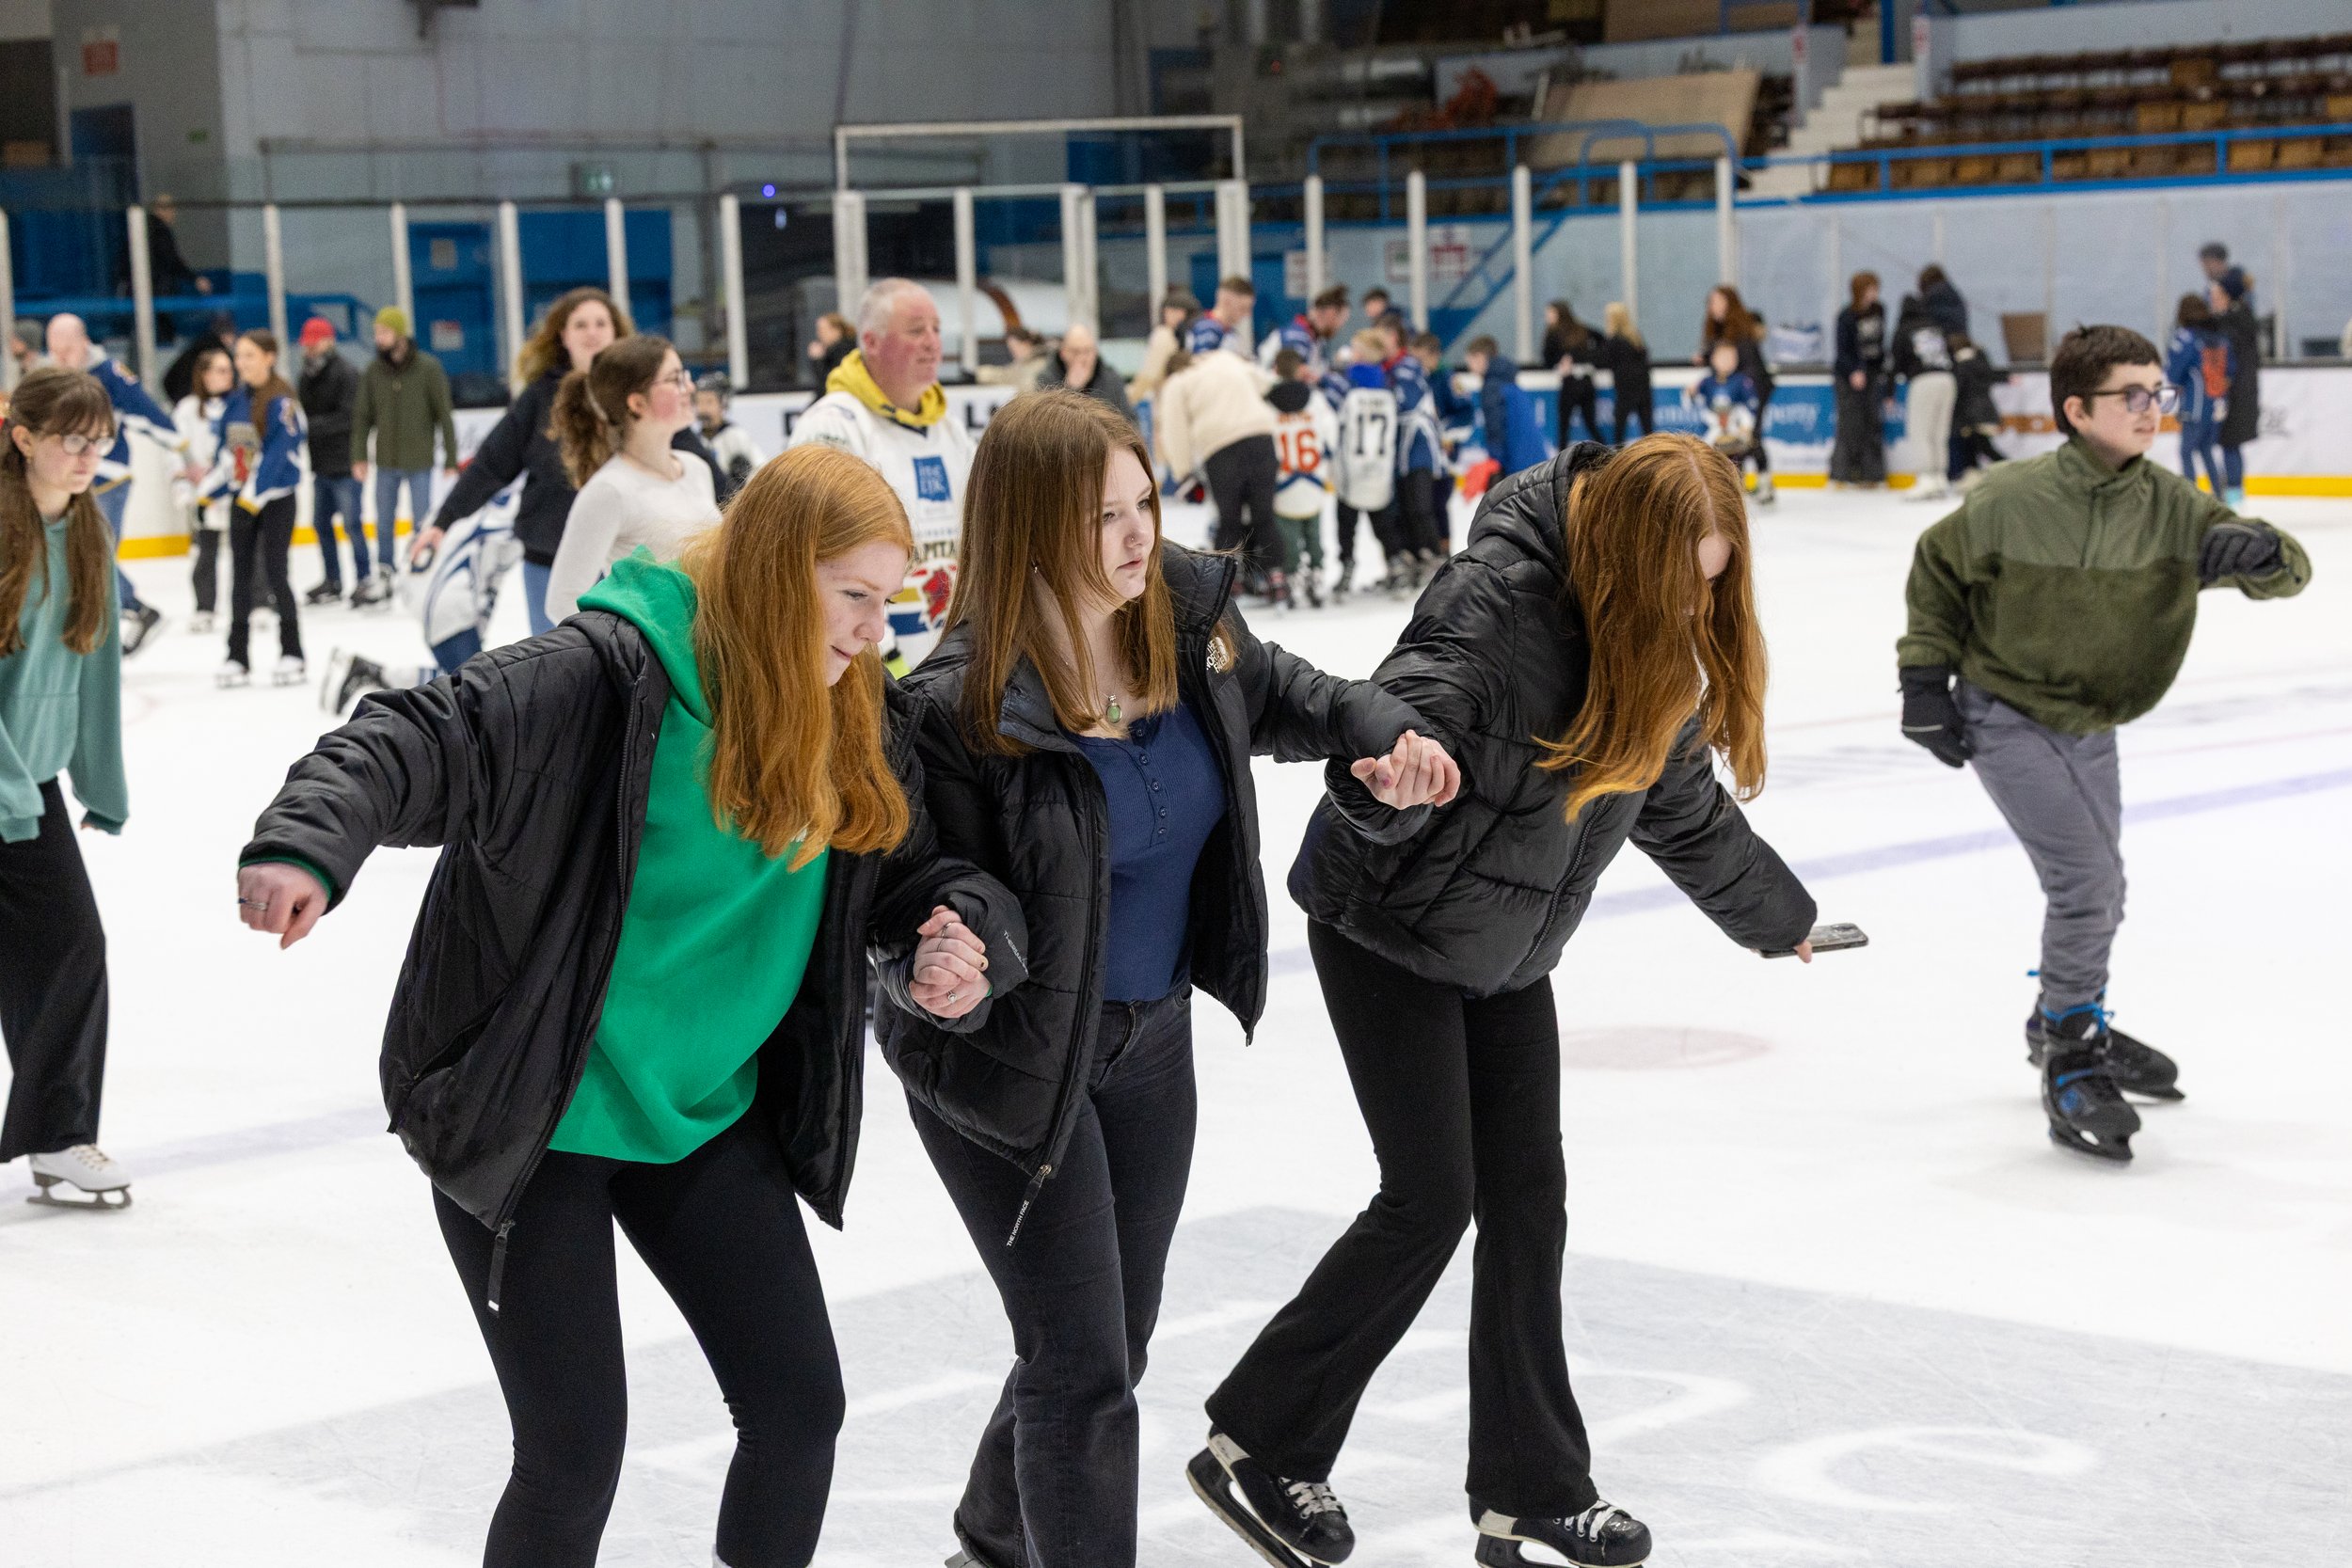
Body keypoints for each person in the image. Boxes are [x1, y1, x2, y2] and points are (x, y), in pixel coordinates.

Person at [236, 441, 1029, 1568]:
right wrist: (309, 842)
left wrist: (958, 928)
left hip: (701, 1111)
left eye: (884, 601)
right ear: (769, 572)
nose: (870, 630)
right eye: (852, 595)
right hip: (533, 1117)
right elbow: (412, 735)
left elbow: (899, 865)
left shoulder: (854, 707)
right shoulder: (599, 677)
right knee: (572, 1454)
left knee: (800, 1412)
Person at [1196, 434, 1817, 1568]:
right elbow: (1396, 721)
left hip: (1506, 947)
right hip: (1387, 918)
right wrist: (1380, 775)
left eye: (1715, 581)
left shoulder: (1650, 631)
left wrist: (1781, 918)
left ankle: (1530, 1485)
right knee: (1432, 1195)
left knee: (1528, 1199)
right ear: (1628, 548)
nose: (1697, 602)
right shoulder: (1498, 600)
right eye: (1685, 577)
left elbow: (1676, 801)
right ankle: (1261, 1437)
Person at [882, 388, 1455, 1568]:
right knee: (1083, 1364)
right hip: (1009, 1061)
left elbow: (1296, 693)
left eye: (1145, 501)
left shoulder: (1186, 616)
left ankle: (991, 1544)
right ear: (1032, 527)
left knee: (1107, 1339)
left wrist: (1378, 730)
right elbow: (906, 879)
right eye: (1104, 517)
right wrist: (938, 943)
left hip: (1150, 1044)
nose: (1140, 533)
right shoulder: (954, 704)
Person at [1897, 325, 2311, 1164]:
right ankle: (2071, 1046)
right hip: (2004, 709)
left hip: (2096, 719)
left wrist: (2264, 550)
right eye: (2134, 394)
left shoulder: (2172, 506)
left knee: (2104, 888)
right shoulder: (2011, 498)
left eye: (2160, 391)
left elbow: (2291, 574)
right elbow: (1936, 571)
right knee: (2087, 882)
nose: (2154, 408)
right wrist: (1921, 681)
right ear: (2078, 410)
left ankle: (2062, 1015)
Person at [0, 367, 136, 1212]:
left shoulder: (88, 532)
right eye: (69, 439)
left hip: (27, 787)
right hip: (7, 786)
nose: (87, 456)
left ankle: (56, 1136)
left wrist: (103, 782)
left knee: (71, 949)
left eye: (99, 441)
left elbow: (99, 671)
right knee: (59, 949)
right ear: (22, 437)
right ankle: (53, 1131)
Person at [422, 286, 707, 637]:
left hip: (630, 560)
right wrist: (444, 519)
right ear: (564, 337)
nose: (592, 333)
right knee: (560, 661)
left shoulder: (657, 410)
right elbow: (492, 463)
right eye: (581, 325)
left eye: (601, 323)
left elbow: (708, 477)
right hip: (550, 551)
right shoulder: (543, 398)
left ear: (617, 331)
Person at [788, 278, 977, 670]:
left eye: (936, 329)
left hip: (948, 667)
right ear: (870, 342)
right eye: (915, 330)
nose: (932, 341)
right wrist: (886, 668)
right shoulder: (834, 426)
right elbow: (813, 558)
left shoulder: (951, 432)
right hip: (865, 667)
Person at [544, 337, 721, 624]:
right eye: (675, 379)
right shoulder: (609, 491)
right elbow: (563, 601)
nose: (689, 387)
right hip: (662, 664)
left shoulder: (696, 468)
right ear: (637, 402)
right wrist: (626, 651)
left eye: (685, 376)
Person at [44, 312, 189, 654]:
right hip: (73, 484)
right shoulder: (56, 380)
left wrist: (182, 447)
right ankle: (119, 620)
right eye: (54, 349)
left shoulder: (109, 375)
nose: (60, 355)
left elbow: (146, 411)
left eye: (66, 348)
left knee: (91, 556)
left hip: (108, 481)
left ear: (83, 342)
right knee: (77, 556)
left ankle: (134, 612)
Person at [206, 329, 308, 688]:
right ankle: (237, 655)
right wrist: (207, 491)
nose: (241, 363)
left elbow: (279, 458)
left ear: (270, 357)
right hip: (242, 501)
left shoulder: (283, 404)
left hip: (276, 500)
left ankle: (292, 651)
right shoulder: (234, 404)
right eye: (239, 356)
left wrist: (253, 495)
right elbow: (229, 457)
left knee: (277, 573)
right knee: (240, 577)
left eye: (249, 355)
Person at [1152, 345, 1288, 604]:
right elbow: (1265, 383)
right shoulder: (1225, 358)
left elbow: (1174, 430)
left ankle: (1229, 581)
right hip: (1261, 439)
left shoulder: (1177, 383)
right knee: (1264, 515)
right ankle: (1277, 577)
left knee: (1229, 518)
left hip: (1222, 449)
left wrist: (1183, 473)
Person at [351, 306, 461, 602]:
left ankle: (420, 567)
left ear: (399, 334)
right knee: (384, 521)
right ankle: (385, 572)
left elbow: (444, 416)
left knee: (422, 520)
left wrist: (451, 458)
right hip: (386, 461)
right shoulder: (373, 371)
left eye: (384, 332)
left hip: (419, 460)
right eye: (376, 333)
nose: (378, 338)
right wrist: (359, 455)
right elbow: (363, 416)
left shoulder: (428, 368)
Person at [296, 317, 365, 605]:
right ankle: (332, 580)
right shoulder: (305, 377)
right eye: (307, 343)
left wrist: (310, 427)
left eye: (315, 342)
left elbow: (350, 417)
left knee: (352, 525)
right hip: (321, 465)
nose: (310, 348)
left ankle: (364, 579)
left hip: (346, 463)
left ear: (328, 341)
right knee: (321, 524)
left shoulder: (347, 373)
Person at [1330, 331, 1402, 598]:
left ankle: (1347, 568)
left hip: (1351, 468)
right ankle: (1395, 564)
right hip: (1380, 469)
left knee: (1345, 524)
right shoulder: (1388, 386)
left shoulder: (1346, 382)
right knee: (1383, 523)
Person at [170, 342, 233, 633]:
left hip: (234, 489)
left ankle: (259, 602)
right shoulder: (187, 409)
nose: (227, 376)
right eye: (220, 370)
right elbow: (174, 450)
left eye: (229, 370)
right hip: (204, 493)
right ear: (204, 375)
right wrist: (183, 481)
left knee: (249, 548)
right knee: (204, 551)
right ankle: (205, 607)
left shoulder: (240, 404)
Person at [1267, 347, 1337, 608]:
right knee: (1314, 534)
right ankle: (1317, 577)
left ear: (1274, 370)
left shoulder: (1267, 402)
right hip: (1313, 479)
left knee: (1288, 538)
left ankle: (1293, 579)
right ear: (1299, 370)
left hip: (1284, 480)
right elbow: (1330, 434)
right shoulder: (1316, 400)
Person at [1696, 286, 1773, 493]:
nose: (1713, 306)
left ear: (1730, 303)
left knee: (1750, 437)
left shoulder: (1741, 331)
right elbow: (1718, 363)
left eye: (1718, 301)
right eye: (1711, 301)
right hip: (1732, 394)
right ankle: (1734, 484)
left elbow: (1751, 369)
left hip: (1751, 391)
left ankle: (1763, 482)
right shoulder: (1715, 331)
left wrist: (1747, 399)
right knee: (1728, 441)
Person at [1891, 292, 1957, 501]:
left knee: (1920, 431)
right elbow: (1951, 355)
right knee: (1940, 432)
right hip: (1947, 379)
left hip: (1923, 381)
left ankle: (1926, 478)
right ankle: (1940, 478)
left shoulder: (1904, 330)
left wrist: (1889, 392)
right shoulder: (1936, 328)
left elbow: (1897, 362)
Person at [1687, 337, 1769, 503]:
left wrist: (1745, 426)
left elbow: (1751, 406)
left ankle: (1758, 488)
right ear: (1713, 359)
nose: (1726, 362)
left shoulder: (1742, 381)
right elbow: (1694, 403)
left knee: (1748, 454)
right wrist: (1691, 393)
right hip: (1714, 433)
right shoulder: (1707, 382)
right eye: (1722, 357)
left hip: (1735, 432)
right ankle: (1713, 491)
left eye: (1731, 357)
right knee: (1709, 459)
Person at [2167, 293, 2231, 499]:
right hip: (2216, 403)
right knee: (2206, 450)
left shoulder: (2185, 337)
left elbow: (2174, 372)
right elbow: (2231, 369)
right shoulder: (2218, 337)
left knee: (2186, 451)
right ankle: (2220, 495)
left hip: (2195, 404)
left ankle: (2190, 497)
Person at [1830, 271, 1888, 486]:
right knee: (1849, 425)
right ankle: (1843, 473)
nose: (1874, 294)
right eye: (1870, 289)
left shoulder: (1880, 310)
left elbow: (1880, 344)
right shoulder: (1846, 316)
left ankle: (1871, 474)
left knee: (1872, 422)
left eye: (1876, 289)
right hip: (1848, 378)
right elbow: (1842, 351)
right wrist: (1853, 371)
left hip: (1872, 376)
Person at [2209, 269, 2261, 508]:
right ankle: (2232, 491)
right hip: (2236, 391)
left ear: (2227, 295)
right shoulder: (2237, 318)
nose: (2212, 298)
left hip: (2235, 393)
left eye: (2217, 294)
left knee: (2230, 442)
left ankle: (2232, 493)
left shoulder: (2233, 322)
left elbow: (2228, 359)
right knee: (2229, 443)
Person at [1039, 322, 1136, 426]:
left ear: (1095, 352)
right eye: (1075, 351)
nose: (1082, 358)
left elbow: (1129, 421)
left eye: (1087, 351)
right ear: (1063, 353)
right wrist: (1072, 389)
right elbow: (1047, 425)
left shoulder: (1111, 378)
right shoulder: (1047, 379)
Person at [693, 372, 766, 504]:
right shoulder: (695, 442)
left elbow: (761, 468)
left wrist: (744, 482)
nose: (703, 409)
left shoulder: (736, 436)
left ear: (723, 403)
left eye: (709, 402)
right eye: (699, 402)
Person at [1947, 333, 2007, 489]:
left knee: (1983, 447)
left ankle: (2011, 469)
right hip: (1985, 411)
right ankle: (1973, 475)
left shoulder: (1961, 366)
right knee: (1976, 447)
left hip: (1972, 414)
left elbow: (1959, 391)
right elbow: (1992, 376)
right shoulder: (1980, 360)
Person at [1126, 289, 1198, 412]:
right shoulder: (1198, 335)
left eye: (1173, 311)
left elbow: (1150, 374)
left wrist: (1127, 399)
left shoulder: (1164, 335)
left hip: (1170, 404)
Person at [1542, 301, 1602, 448]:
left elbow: (1547, 359)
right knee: (1590, 423)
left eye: (1550, 313)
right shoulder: (1581, 328)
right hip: (1587, 381)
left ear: (1559, 314)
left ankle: (1560, 462)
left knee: (1564, 425)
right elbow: (1602, 339)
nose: (1547, 317)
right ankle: (1608, 455)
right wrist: (1591, 359)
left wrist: (1561, 362)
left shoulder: (1553, 333)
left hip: (1570, 382)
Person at [1260, 284, 1349, 373]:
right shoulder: (1296, 336)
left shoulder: (1316, 340)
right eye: (1340, 320)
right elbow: (1297, 374)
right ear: (1329, 313)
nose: (1339, 326)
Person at [1596, 302, 1651, 445]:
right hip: (1642, 385)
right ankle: (1653, 453)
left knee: (1620, 425)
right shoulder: (1635, 337)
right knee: (1647, 426)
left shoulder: (1614, 341)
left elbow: (1601, 361)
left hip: (1626, 387)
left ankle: (1619, 457)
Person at [143, 194, 210, 303]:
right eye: (172, 209)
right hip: (156, 291)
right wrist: (195, 279)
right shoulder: (160, 230)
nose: (174, 214)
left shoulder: (143, 228)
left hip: (140, 289)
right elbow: (171, 259)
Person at [1186, 276, 1256, 358]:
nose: (1247, 314)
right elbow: (1204, 366)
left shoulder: (1231, 334)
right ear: (1227, 300)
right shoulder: (1206, 328)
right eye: (1243, 308)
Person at [806, 309, 854, 387]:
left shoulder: (842, 351)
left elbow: (828, 382)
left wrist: (818, 360)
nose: (818, 335)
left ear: (835, 330)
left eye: (821, 330)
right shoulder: (834, 350)